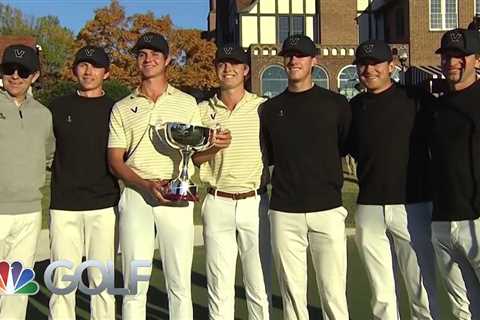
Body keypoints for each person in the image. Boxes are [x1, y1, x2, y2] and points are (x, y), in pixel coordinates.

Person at [107, 32, 201, 319]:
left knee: (179, 283)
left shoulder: (186, 103)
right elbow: (115, 161)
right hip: (136, 196)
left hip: (176, 197)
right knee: (134, 284)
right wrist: (145, 184)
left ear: (167, 60)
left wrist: (215, 145)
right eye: (142, 55)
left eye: (155, 55)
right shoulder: (122, 106)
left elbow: (193, 153)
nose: (148, 60)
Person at [260, 34, 350, 320]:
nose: (294, 60)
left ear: (314, 60)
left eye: (300, 55)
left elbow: (346, 147)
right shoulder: (270, 109)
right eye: (289, 55)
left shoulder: (336, 104)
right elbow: (271, 157)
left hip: (328, 209)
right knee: (292, 296)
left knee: (334, 294)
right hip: (285, 212)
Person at [348, 40, 438, 320]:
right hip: (369, 207)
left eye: (376, 63)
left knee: (421, 286)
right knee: (381, 292)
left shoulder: (417, 100)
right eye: (363, 64)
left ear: (391, 65)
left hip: (413, 206)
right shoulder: (354, 106)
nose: (369, 69)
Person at [192, 44, 271, 319]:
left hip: (254, 202)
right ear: (216, 69)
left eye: (235, 64)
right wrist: (213, 148)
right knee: (218, 283)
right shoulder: (202, 110)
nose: (228, 69)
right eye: (222, 64)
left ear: (246, 70)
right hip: (217, 201)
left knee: (258, 283)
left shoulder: (262, 107)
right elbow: (195, 159)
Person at [48, 46, 120, 320]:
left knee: (101, 282)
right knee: (62, 281)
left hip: (103, 206)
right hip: (64, 207)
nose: (88, 71)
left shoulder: (116, 109)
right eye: (83, 65)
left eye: (95, 66)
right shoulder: (57, 108)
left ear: (106, 72)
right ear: (74, 69)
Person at [0, 44, 54, 320]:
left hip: (30, 213)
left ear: (34, 76)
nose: (16, 76)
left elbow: (48, 157)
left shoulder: (43, 115)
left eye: (24, 71)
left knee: (15, 288)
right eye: (10, 69)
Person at [430, 28, 480, 319]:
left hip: (477, 220)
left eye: (460, 56)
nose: (452, 62)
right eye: (447, 55)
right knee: (462, 309)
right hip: (442, 220)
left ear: (475, 59)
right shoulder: (435, 106)